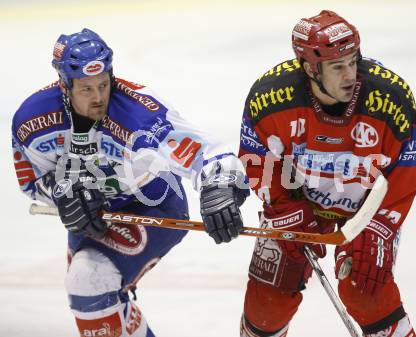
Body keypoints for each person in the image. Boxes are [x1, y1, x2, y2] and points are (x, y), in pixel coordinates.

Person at [12, 28, 248, 337]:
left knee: (88, 281)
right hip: (93, 218)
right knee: (95, 298)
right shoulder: (33, 121)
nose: (98, 97)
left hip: (154, 205)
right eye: (86, 88)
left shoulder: (140, 114)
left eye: (103, 84)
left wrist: (219, 187)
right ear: (64, 85)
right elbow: (32, 182)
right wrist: (62, 194)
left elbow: (209, 152)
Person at [238, 10, 416, 337]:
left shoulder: (390, 98)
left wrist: (380, 226)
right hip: (298, 203)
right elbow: (257, 157)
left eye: (354, 61)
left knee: (367, 289)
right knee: (268, 302)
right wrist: (282, 209)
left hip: (365, 210)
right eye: (338, 67)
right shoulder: (270, 98)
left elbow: (404, 168)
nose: (350, 74)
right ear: (310, 68)